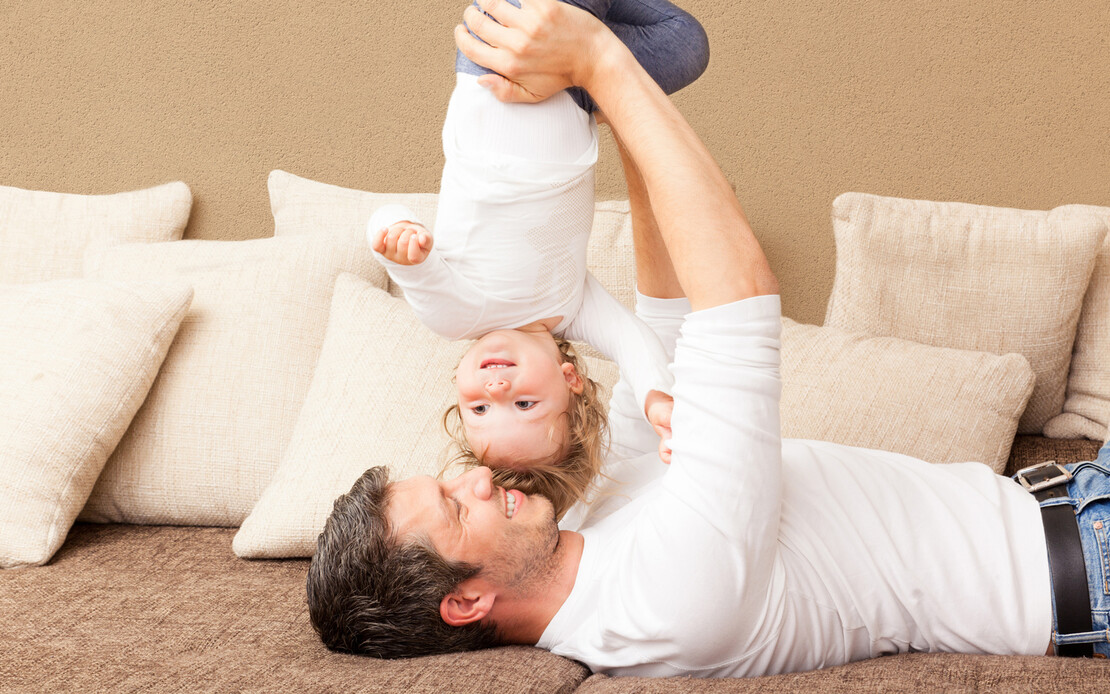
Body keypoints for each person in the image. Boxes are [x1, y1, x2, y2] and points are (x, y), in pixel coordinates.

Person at [308, 0, 1110, 676]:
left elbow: (669, 309)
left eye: (449, 478)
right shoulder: (665, 601)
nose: (475, 478)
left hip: (1070, 499)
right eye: (454, 506)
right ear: (467, 601)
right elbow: (739, 295)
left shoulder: (587, 531)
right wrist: (597, 59)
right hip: (1089, 563)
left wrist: (603, 95)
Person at [366, 0, 710, 516]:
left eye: (479, 407)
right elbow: (634, 340)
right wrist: (658, 401)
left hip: (502, 64)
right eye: (523, 404)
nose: (496, 386)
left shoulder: (455, 314)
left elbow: (390, 235)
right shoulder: (572, 308)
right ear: (570, 382)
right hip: (574, 86)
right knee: (687, 44)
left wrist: (395, 234)